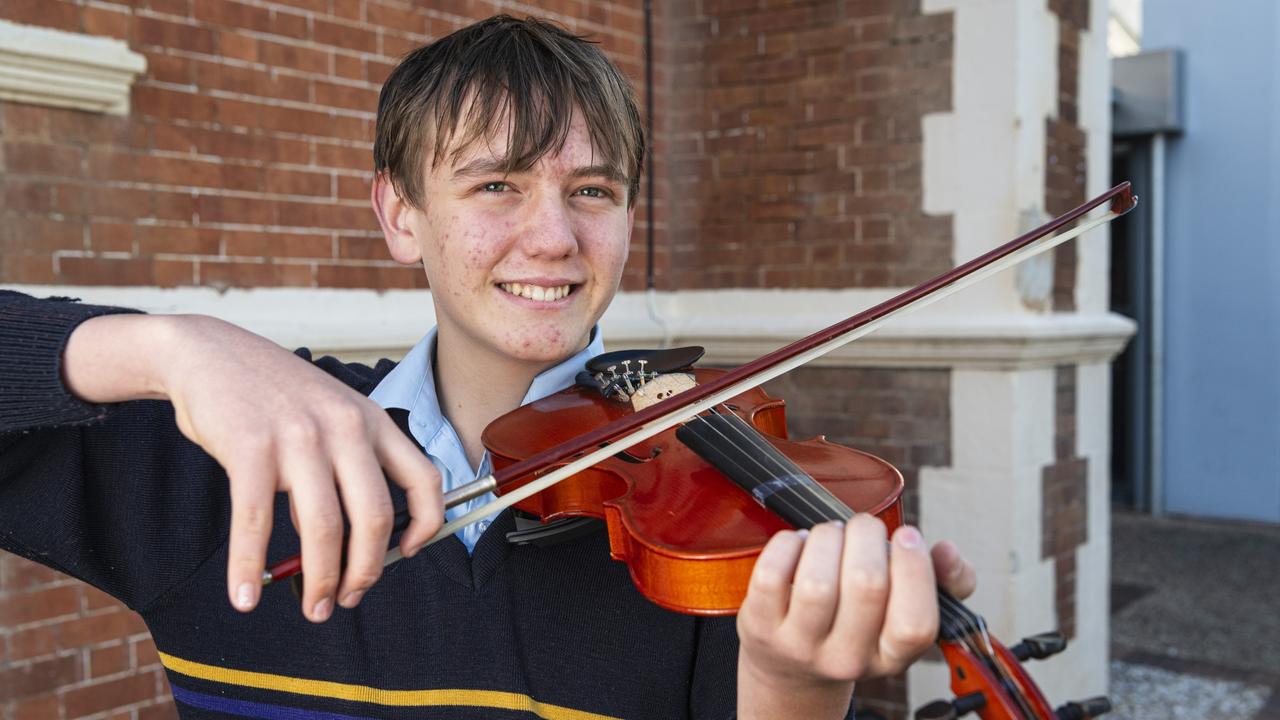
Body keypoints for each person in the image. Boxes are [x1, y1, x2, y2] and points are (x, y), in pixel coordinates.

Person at [0, 15, 976, 720]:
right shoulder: (222, 458)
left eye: (591, 190)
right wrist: (164, 346)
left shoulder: (713, 524)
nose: (552, 238)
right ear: (398, 215)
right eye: (496, 184)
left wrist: (794, 687)